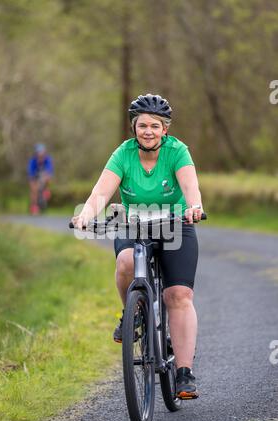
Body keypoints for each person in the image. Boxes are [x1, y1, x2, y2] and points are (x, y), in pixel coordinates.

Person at [71, 94, 204, 399]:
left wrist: (194, 206)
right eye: (142, 125)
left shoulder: (177, 151)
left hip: (175, 224)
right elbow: (101, 192)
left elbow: (190, 187)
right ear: (134, 128)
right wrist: (86, 215)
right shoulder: (123, 154)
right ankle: (132, 314)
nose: (148, 131)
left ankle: (184, 373)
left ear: (164, 129)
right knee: (126, 263)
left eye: (154, 126)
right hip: (134, 225)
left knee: (178, 295)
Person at [27, 143, 54, 214]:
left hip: (43, 179)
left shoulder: (48, 160)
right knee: (33, 189)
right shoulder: (32, 161)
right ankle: (34, 206)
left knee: (47, 178)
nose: (40, 156)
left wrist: (44, 181)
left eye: (42, 154)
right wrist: (34, 186)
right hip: (35, 178)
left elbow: (49, 172)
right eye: (39, 154)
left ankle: (46, 191)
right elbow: (31, 175)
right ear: (36, 154)